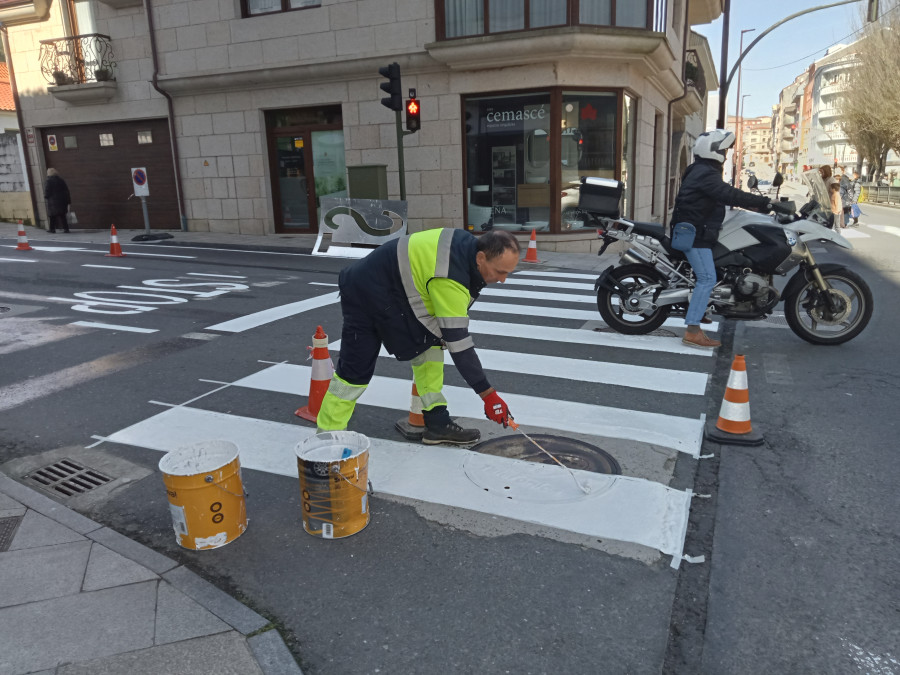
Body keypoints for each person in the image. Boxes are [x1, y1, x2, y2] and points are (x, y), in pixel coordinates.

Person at [315, 228, 521, 445]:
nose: (503, 279)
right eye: (500, 272)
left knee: (431, 343)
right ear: (481, 258)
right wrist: (488, 395)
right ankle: (327, 442)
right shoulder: (450, 278)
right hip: (364, 290)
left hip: (396, 288)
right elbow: (459, 345)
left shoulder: (467, 249)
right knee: (354, 373)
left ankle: (437, 422)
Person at [671, 129, 773, 349]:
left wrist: (754, 205)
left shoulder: (699, 169)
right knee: (707, 278)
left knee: (717, 270)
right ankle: (692, 331)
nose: (726, 155)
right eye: (724, 150)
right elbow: (728, 194)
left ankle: (700, 308)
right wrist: (765, 203)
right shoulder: (706, 173)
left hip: (697, 230)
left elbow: (722, 196)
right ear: (714, 151)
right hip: (694, 234)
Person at [44, 168, 71, 234]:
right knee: (62, 216)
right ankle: (66, 229)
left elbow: (47, 190)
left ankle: (52, 229)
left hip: (53, 201)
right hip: (62, 201)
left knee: (52, 216)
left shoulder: (49, 181)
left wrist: (46, 196)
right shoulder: (61, 180)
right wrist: (68, 201)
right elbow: (66, 190)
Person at [818, 165, 843, 229]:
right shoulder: (823, 179)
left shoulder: (832, 180)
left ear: (826, 172)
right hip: (823, 203)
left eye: (822, 172)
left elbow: (836, 193)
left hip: (830, 205)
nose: (821, 174)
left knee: (831, 223)